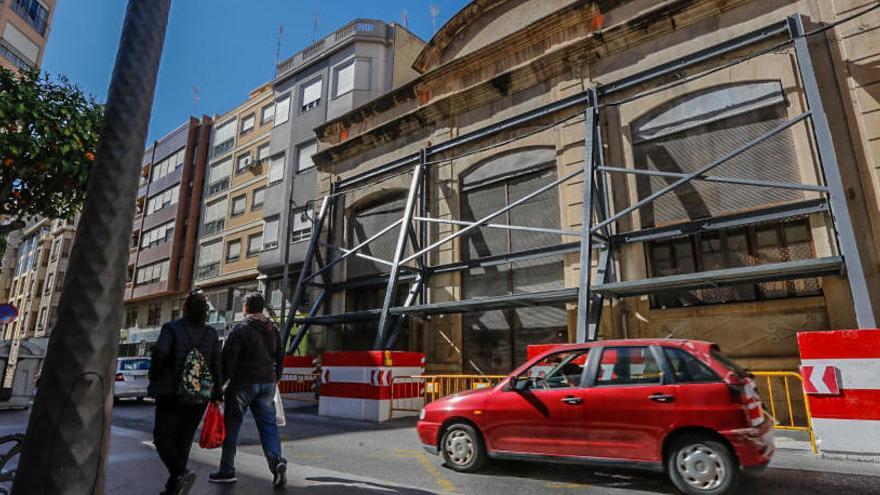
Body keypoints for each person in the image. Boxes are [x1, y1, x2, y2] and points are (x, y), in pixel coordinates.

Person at [210, 291, 287, 488]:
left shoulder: (240, 329)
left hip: (242, 384)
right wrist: (275, 378)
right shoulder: (272, 329)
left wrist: (218, 389)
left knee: (232, 426)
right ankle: (276, 461)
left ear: (245, 308)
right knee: (269, 426)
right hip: (267, 382)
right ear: (261, 308)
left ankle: (227, 470)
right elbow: (280, 356)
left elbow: (228, 361)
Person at [149, 291, 222, 495]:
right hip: (199, 396)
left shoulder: (171, 328)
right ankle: (174, 487)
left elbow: (160, 353)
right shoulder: (211, 334)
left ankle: (180, 473)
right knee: (184, 439)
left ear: (185, 308)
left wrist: (154, 378)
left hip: (171, 392)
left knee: (162, 437)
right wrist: (216, 392)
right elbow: (217, 364)